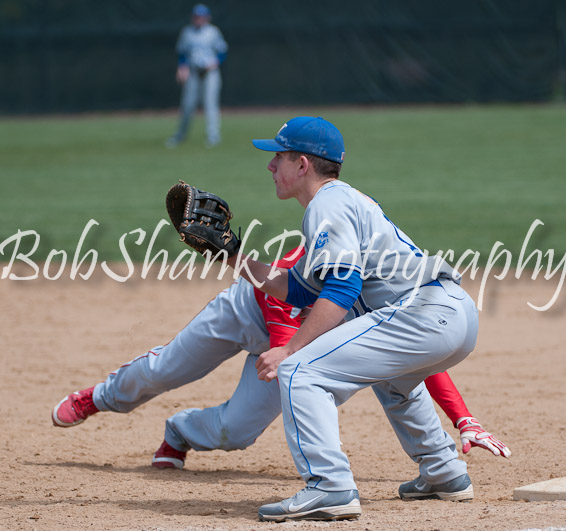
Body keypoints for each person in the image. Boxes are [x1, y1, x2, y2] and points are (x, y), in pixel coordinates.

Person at [230, 116, 484, 521]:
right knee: (395, 380)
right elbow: (297, 289)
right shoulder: (341, 201)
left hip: (423, 314)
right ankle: (443, 472)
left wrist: (290, 350)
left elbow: (342, 289)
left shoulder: (327, 205)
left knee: (299, 371)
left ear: (303, 164)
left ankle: (329, 486)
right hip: (451, 314)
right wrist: (231, 255)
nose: (270, 165)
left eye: (279, 156)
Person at [51, 248, 508, 470]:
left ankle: (180, 432)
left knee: (236, 432)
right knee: (166, 369)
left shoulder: (380, 285)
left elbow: (413, 357)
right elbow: (287, 338)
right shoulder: (305, 266)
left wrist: (463, 418)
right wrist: (293, 357)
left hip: (294, 345)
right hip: (246, 315)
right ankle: (100, 397)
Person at [165, 4, 228, 148]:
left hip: (209, 72)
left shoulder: (213, 31)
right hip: (193, 71)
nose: (199, 19)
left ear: (207, 17)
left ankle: (213, 136)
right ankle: (180, 135)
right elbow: (182, 53)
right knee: (187, 105)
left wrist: (215, 62)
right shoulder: (187, 32)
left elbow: (223, 51)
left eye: (201, 16)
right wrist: (182, 67)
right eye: (196, 16)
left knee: (210, 104)